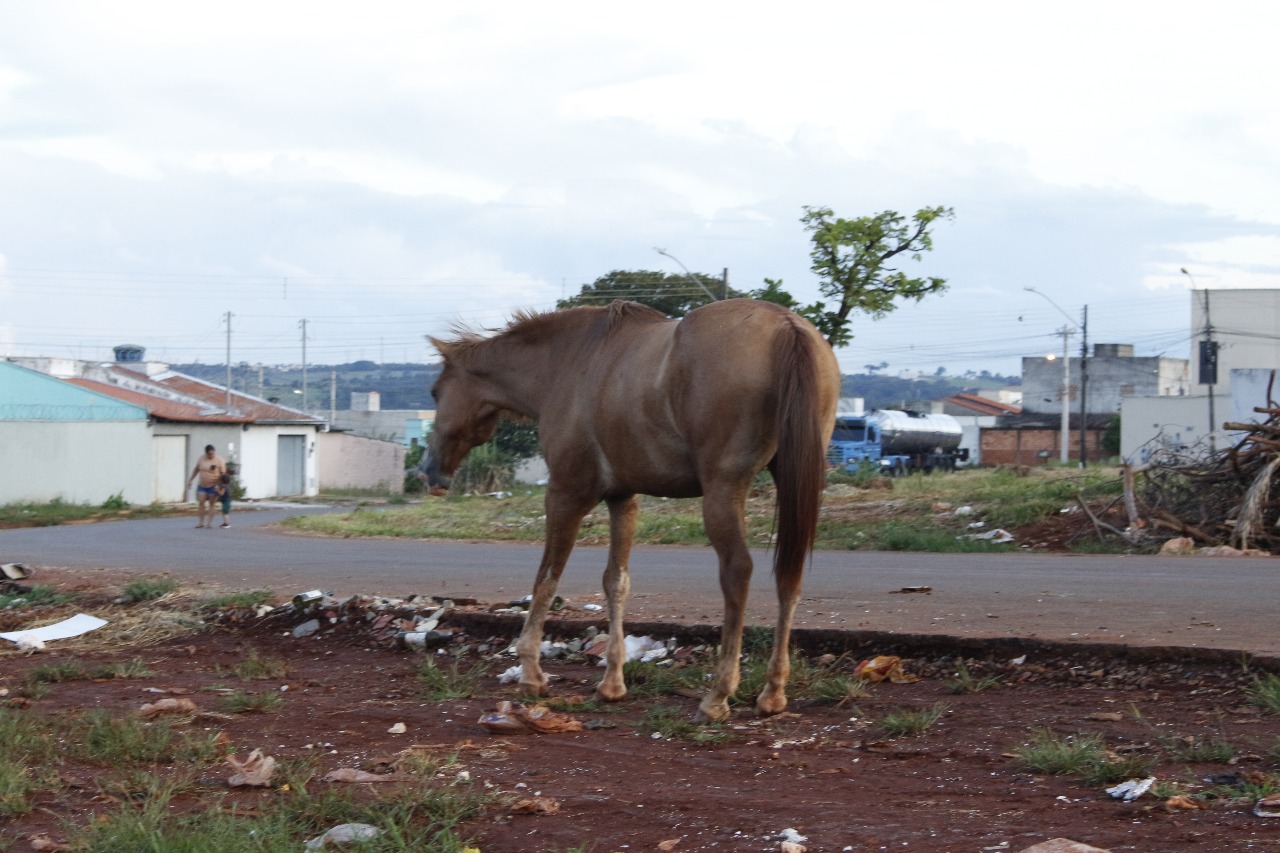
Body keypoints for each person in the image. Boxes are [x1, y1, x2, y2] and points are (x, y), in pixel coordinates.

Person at [186, 445, 227, 529]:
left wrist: (220, 485)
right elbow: (196, 469)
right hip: (202, 485)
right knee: (201, 503)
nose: (211, 456)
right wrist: (190, 480)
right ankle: (201, 522)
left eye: (213, 454)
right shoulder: (201, 459)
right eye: (209, 454)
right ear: (206, 453)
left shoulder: (219, 460)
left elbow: (223, 474)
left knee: (212, 503)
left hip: (213, 485)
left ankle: (209, 523)